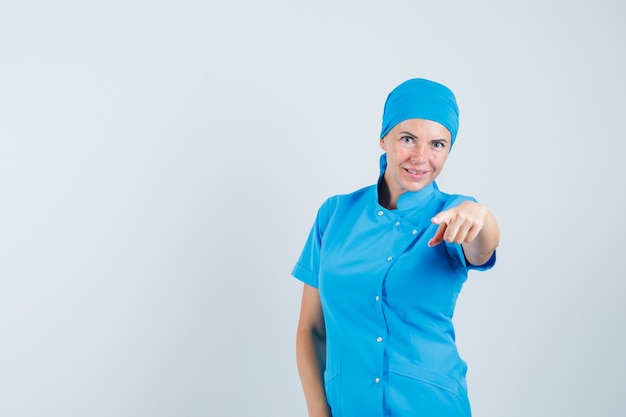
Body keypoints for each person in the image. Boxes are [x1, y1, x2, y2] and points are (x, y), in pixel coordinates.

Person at [292, 78, 500, 417]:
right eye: (408, 139)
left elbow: (482, 247)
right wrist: (318, 412)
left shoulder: (454, 214)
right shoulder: (335, 214)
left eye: (437, 145)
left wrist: (482, 216)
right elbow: (311, 329)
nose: (421, 157)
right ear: (383, 138)